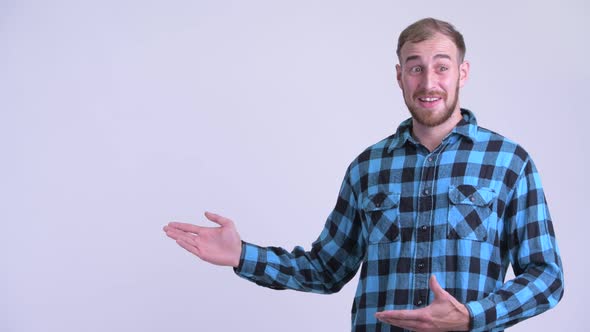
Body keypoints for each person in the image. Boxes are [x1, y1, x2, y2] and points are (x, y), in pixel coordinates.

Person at [163, 17, 564, 331]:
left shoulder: (509, 162)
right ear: (399, 76)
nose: (428, 82)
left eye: (441, 67)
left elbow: (547, 276)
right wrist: (243, 255)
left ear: (463, 73)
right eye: (415, 68)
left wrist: (473, 317)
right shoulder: (368, 168)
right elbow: (325, 269)